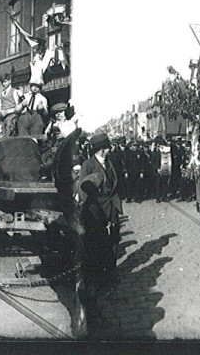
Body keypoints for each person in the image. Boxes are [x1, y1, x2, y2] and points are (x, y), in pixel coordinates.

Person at [77, 133, 123, 312]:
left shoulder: (109, 163)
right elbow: (83, 191)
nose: (110, 150)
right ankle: (98, 281)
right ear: (101, 149)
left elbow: (115, 186)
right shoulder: (88, 165)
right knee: (97, 247)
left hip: (111, 209)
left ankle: (111, 275)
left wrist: (116, 209)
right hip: (96, 212)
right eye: (108, 147)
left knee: (113, 244)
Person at [0, 72, 22, 137]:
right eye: (2, 82)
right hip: (2, 116)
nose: (3, 84)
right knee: (0, 130)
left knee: (9, 126)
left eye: (5, 81)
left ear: (10, 81)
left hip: (12, 115)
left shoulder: (15, 91)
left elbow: (18, 106)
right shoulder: (0, 94)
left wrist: (7, 111)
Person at [154, 136, 173, 203]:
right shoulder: (155, 153)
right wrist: (157, 168)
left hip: (165, 170)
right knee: (158, 184)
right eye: (160, 145)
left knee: (164, 184)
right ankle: (158, 198)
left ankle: (164, 196)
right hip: (158, 170)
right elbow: (153, 162)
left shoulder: (166, 153)